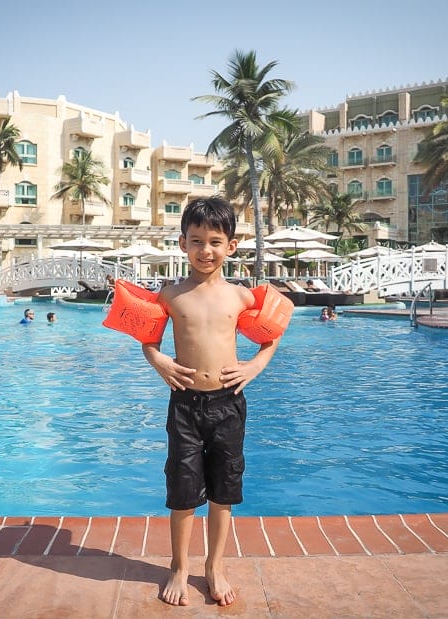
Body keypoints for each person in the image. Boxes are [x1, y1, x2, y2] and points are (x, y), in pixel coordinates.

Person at [141, 196, 282, 607]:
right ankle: (178, 566)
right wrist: (160, 362)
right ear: (182, 243)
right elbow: (148, 342)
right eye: (197, 240)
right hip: (184, 404)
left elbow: (271, 337)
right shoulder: (169, 295)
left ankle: (214, 566)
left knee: (224, 489)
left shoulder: (241, 297)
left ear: (231, 247)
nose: (206, 250)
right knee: (183, 489)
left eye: (216, 241)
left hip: (228, 403)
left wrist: (254, 367)